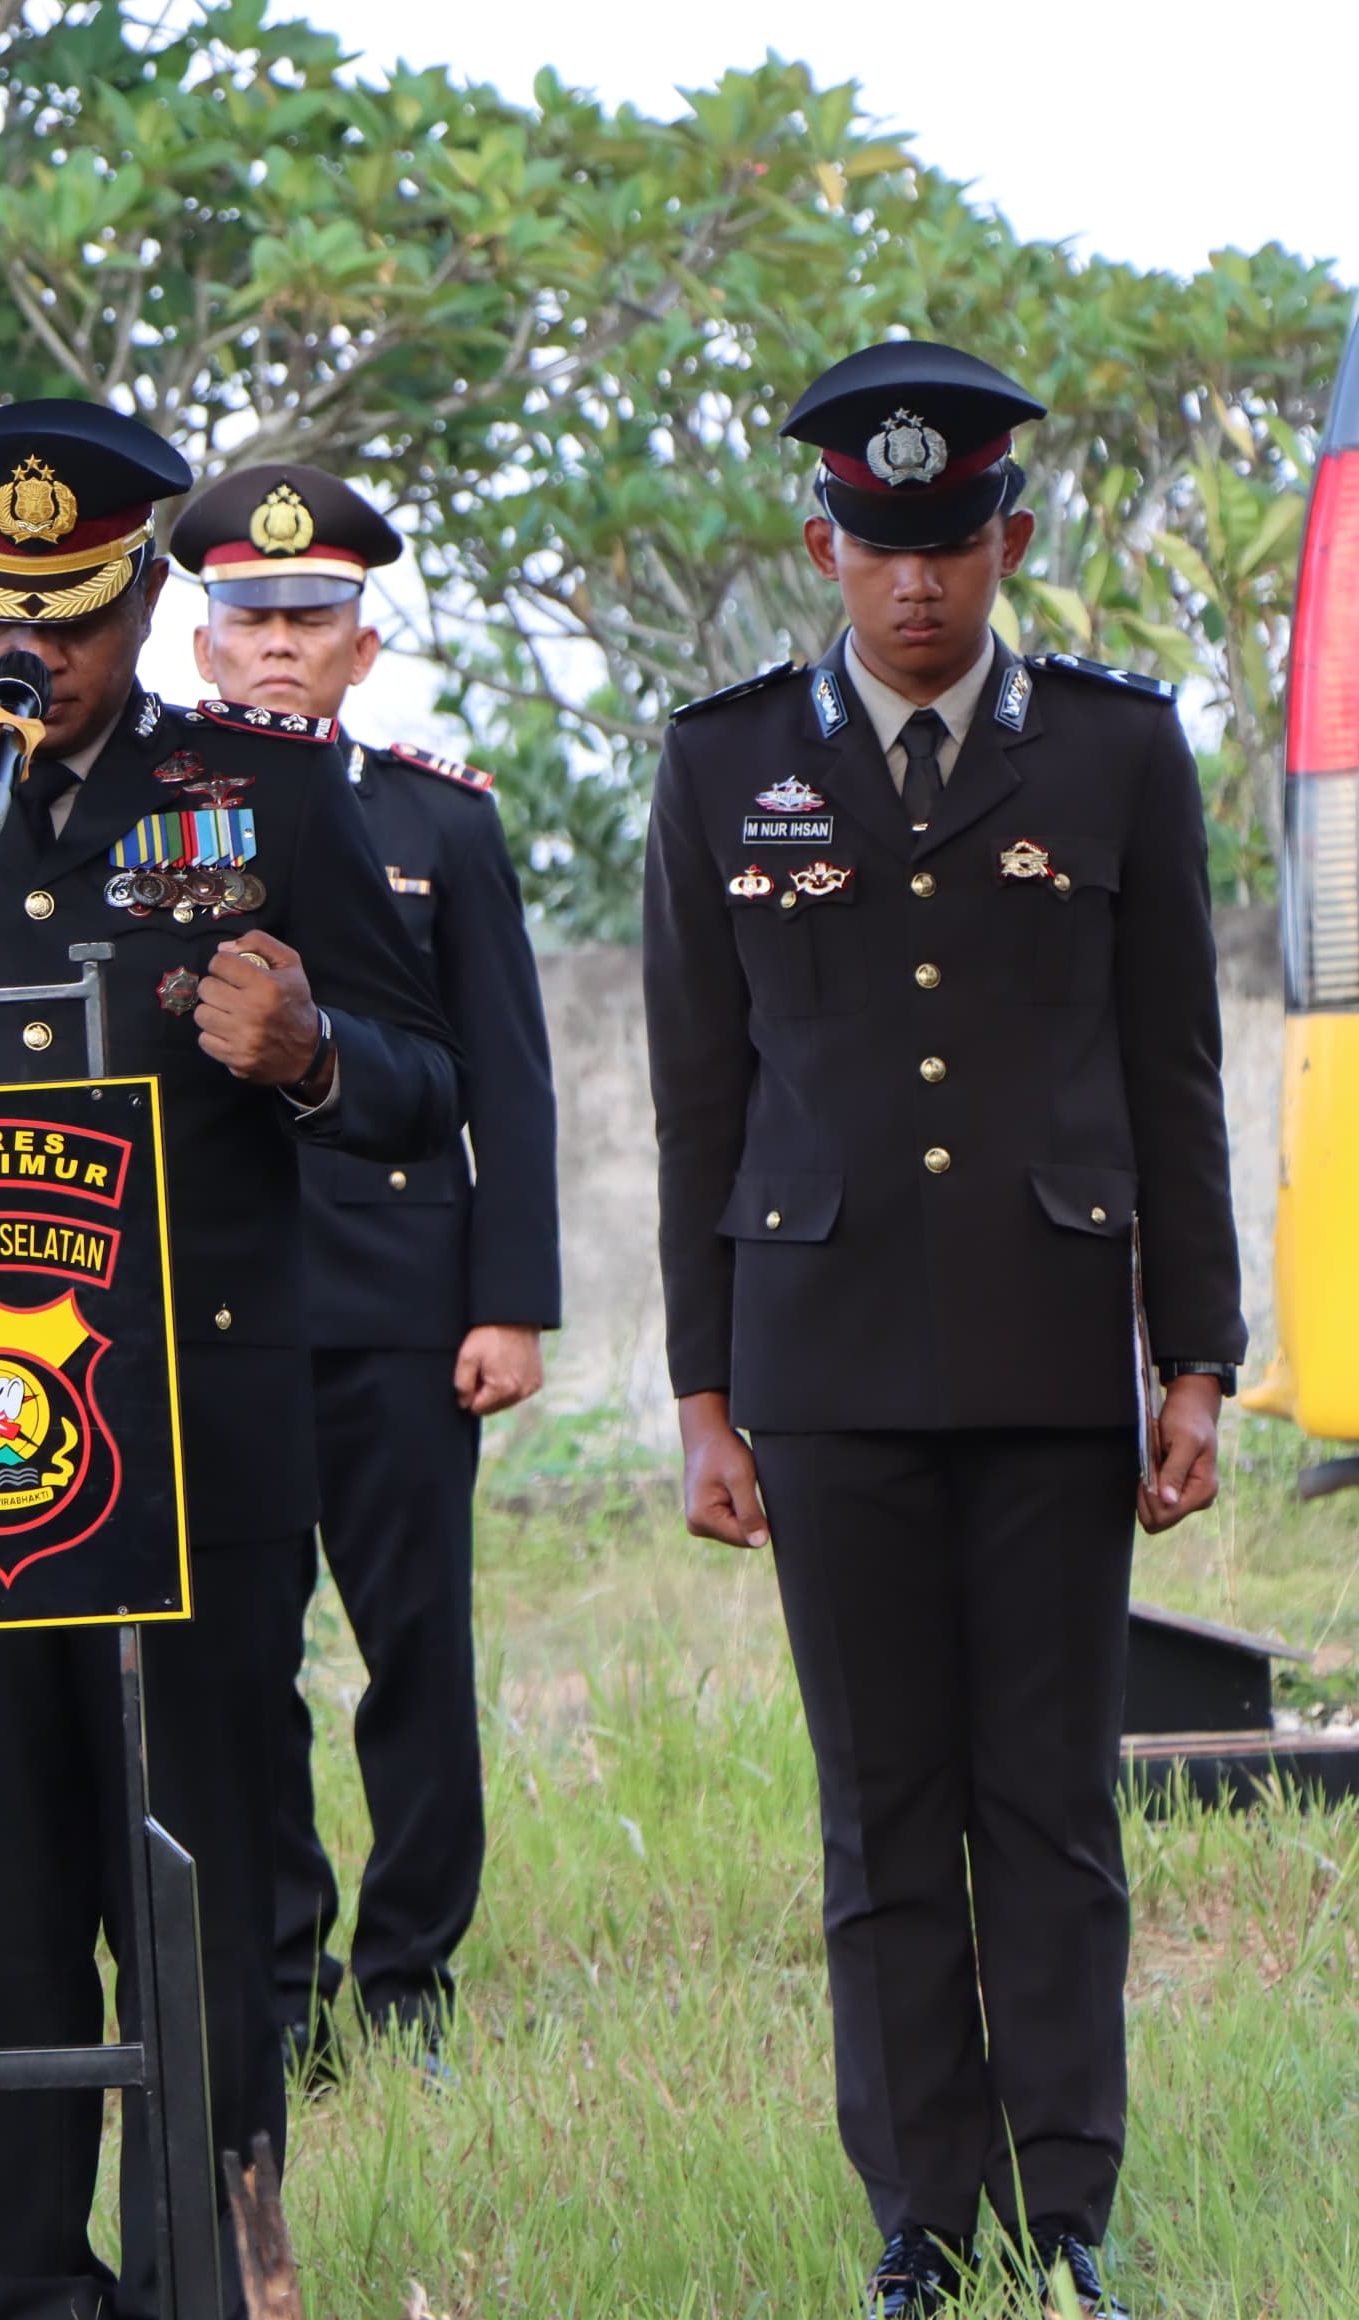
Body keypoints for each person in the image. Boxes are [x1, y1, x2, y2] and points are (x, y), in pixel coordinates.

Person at [0, 400, 461, 2320]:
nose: (23, 653)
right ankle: (31, 2281)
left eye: (73, 615)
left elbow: (417, 1085)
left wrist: (311, 1060)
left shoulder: (270, 789)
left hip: (197, 1439)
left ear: (142, 591)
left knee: (196, 1848)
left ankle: (214, 2245)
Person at [645, 341, 1238, 2320]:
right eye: (879, 546)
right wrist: (703, 1389)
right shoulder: (722, 764)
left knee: (1051, 1803)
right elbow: (698, 1098)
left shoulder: (1116, 754)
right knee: (880, 1804)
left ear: (1014, 537)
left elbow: (1175, 1073)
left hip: (1052, 1338)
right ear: (821, 541)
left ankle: (1069, 2210)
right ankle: (922, 2219)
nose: (917, 583)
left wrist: (1199, 1357)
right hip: (817, 1367)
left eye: (953, 543)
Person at [168, 464, 561, 2070]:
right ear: (202, 643)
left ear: (362, 644)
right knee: (240, 1667)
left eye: (308, 620)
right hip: (215, 1308)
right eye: (249, 618)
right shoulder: (154, 809)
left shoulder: (434, 819)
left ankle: (410, 1985)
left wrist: (509, 1300)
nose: (276, 646)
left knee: (416, 1656)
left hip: (403, 1301)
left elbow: (511, 1074)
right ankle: (279, 1988)